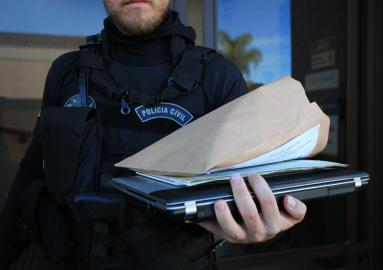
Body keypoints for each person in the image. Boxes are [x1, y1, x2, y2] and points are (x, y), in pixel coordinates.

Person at [0, 0, 307, 269]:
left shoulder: (218, 76)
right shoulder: (66, 72)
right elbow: (31, 170)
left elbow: (252, 190)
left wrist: (261, 229)